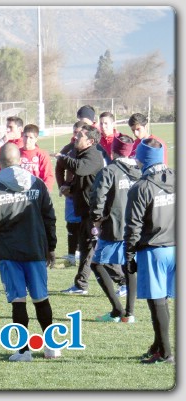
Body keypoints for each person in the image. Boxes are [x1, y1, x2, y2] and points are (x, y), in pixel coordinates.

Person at [0, 143, 58, 361]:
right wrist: (52, 246)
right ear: (20, 160)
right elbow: (50, 217)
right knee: (41, 299)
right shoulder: (37, 183)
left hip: (9, 253)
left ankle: (23, 351)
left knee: (18, 301)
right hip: (36, 250)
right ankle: (52, 348)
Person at [124, 138, 175, 364]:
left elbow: (133, 227)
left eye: (138, 156)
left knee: (157, 302)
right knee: (163, 300)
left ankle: (166, 354)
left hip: (154, 250)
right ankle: (157, 346)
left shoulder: (141, 187)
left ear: (144, 159)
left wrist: (128, 256)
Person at [89, 135, 141, 323]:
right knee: (129, 265)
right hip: (136, 227)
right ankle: (130, 313)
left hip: (114, 227)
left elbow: (97, 198)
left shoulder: (109, 171)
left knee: (96, 264)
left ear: (113, 151)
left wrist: (96, 219)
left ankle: (117, 310)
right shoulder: (139, 171)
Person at [55, 124, 105, 295]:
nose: (76, 137)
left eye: (80, 135)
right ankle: (80, 285)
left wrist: (61, 156)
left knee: (98, 250)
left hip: (96, 213)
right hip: (85, 212)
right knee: (85, 248)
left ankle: (123, 282)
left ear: (90, 141)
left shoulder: (94, 156)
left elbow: (80, 168)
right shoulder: (82, 153)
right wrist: (68, 187)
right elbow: (84, 182)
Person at [55, 121, 84, 266]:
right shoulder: (68, 149)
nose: (76, 136)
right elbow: (59, 168)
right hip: (71, 196)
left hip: (86, 196)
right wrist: (62, 186)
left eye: (79, 133)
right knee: (71, 225)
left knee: (85, 225)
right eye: (74, 132)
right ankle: (72, 255)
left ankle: (84, 254)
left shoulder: (92, 151)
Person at [19, 123, 55, 192]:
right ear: (22, 136)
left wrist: (45, 192)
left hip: (37, 192)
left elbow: (48, 176)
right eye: (25, 136)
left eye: (31, 138)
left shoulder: (42, 155)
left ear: (36, 139)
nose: (27, 140)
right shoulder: (16, 153)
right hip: (19, 193)